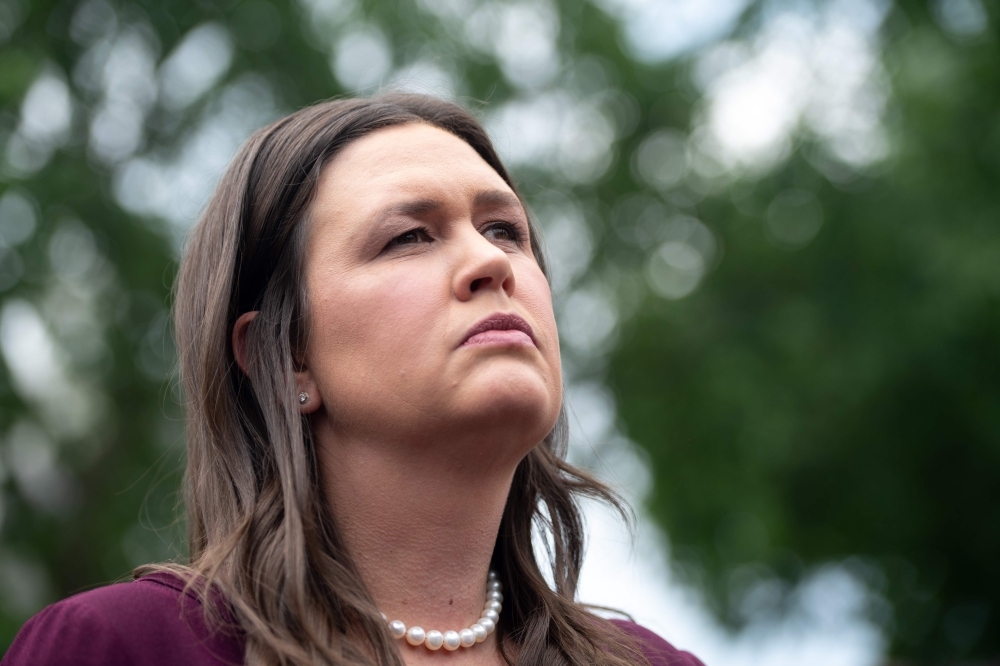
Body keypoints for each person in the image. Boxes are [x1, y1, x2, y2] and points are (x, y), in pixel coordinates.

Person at [2, 94, 704, 666]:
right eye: (409, 237)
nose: (492, 265)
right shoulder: (119, 649)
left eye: (505, 230)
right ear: (286, 361)